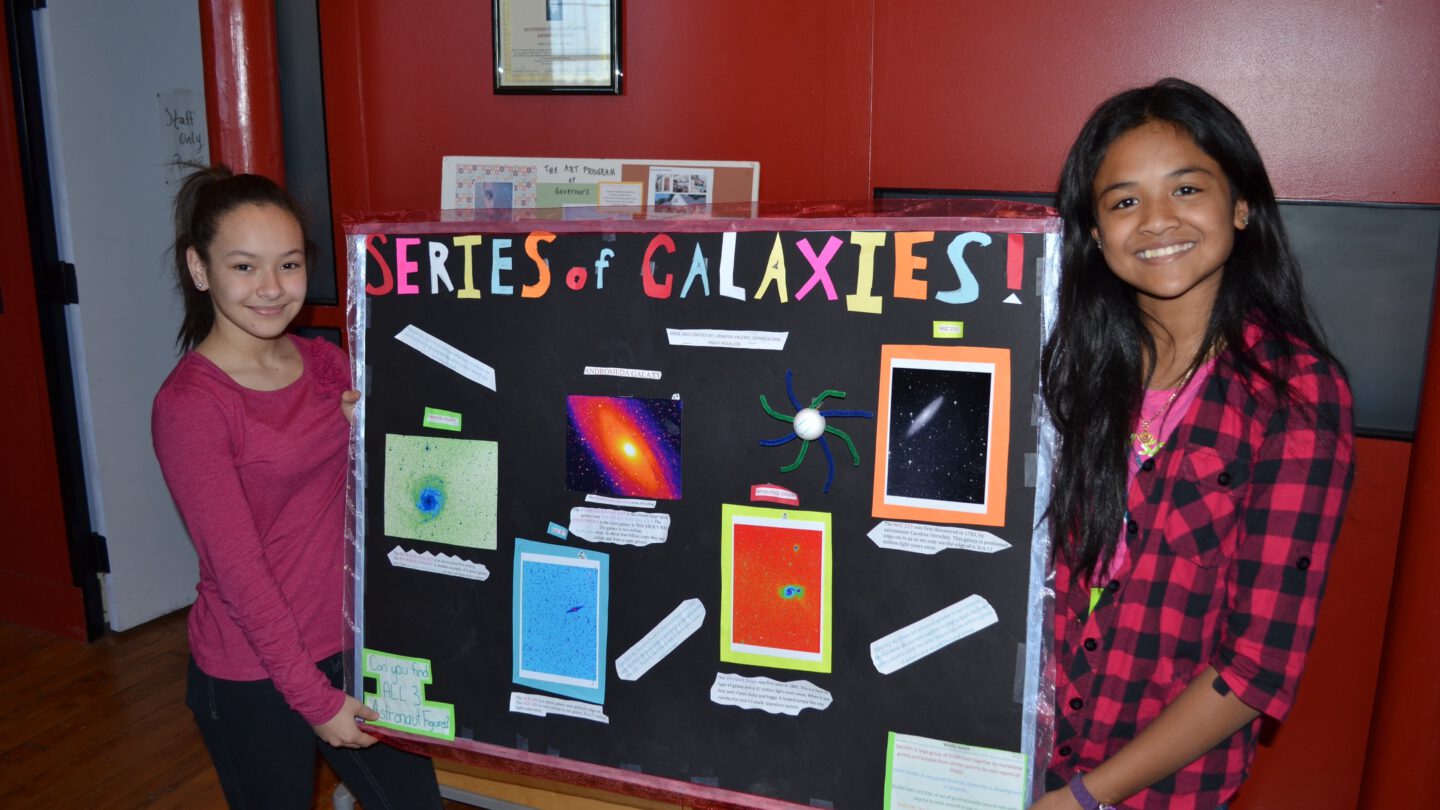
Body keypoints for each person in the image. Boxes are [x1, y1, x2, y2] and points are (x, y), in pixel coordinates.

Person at [1033, 79, 1354, 809]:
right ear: (1091, 229)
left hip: (1154, 792)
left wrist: (1086, 797)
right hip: (1014, 756)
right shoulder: (1065, 369)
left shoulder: (1294, 394)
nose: (1155, 222)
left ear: (1240, 205)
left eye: (1185, 189)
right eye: (1123, 201)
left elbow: (1255, 667)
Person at [153, 166, 443, 809]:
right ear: (199, 270)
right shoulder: (191, 407)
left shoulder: (326, 364)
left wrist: (370, 435)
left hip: (351, 644)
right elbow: (241, 575)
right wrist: (313, 699)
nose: (270, 288)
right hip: (254, 673)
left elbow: (386, 491)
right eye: (244, 266)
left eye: (287, 265)